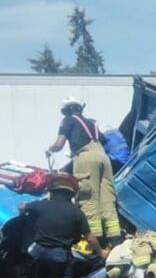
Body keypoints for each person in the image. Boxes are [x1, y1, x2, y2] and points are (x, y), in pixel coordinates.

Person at [45, 97, 122, 245]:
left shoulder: (68, 120)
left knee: (88, 198)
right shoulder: (91, 123)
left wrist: (50, 149)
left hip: (86, 157)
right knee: (107, 199)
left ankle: (95, 242)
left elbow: (59, 144)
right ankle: (115, 239)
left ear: (66, 110)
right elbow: (104, 140)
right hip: (103, 157)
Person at [22, 173, 105, 278]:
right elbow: (89, 237)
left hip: (37, 253)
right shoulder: (77, 213)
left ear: (51, 191)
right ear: (72, 194)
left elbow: (23, 207)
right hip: (59, 256)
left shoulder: (40, 205)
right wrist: (101, 252)